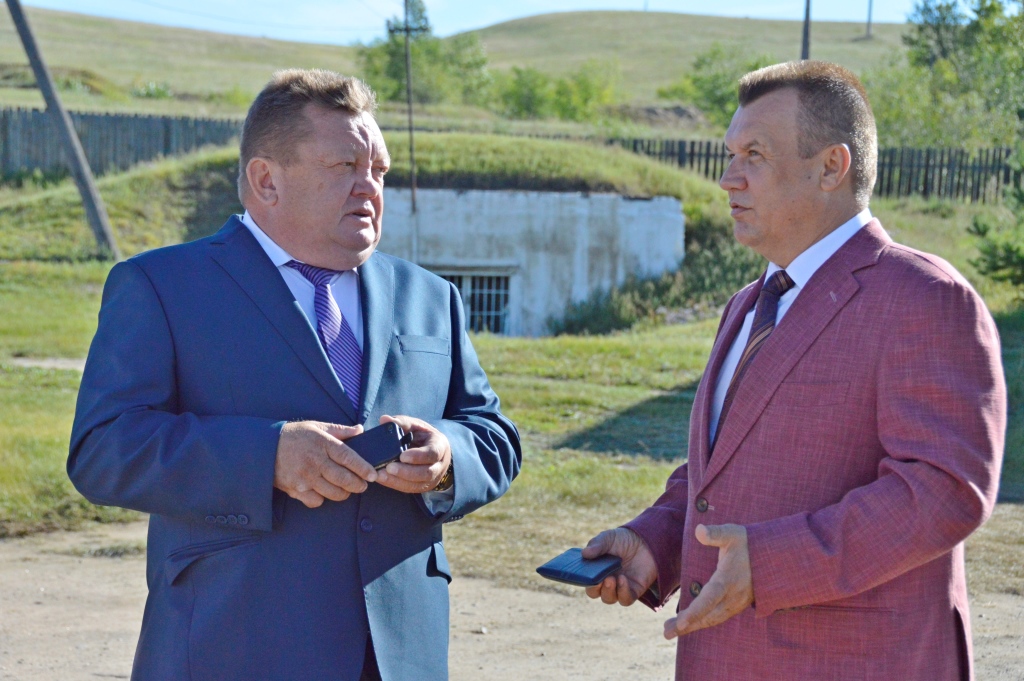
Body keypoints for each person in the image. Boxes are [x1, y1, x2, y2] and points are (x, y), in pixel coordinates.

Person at [68, 69, 521, 681]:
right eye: (344, 166)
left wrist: (445, 461)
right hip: (233, 648)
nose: (369, 187)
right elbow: (103, 449)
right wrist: (268, 457)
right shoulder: (162, 286)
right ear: (266, 180)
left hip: (396, 656)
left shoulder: (431, 296)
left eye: (379, 170)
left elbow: (493, 434)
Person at [582, 61, 1005, 680]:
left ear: (832, 167)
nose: (728, 179)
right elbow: (724, 471)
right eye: (730, 155)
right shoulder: (748, 304)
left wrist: (770, 564)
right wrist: (656, 540)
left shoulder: (925, 298)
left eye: (754, 155)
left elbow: (944, 491)